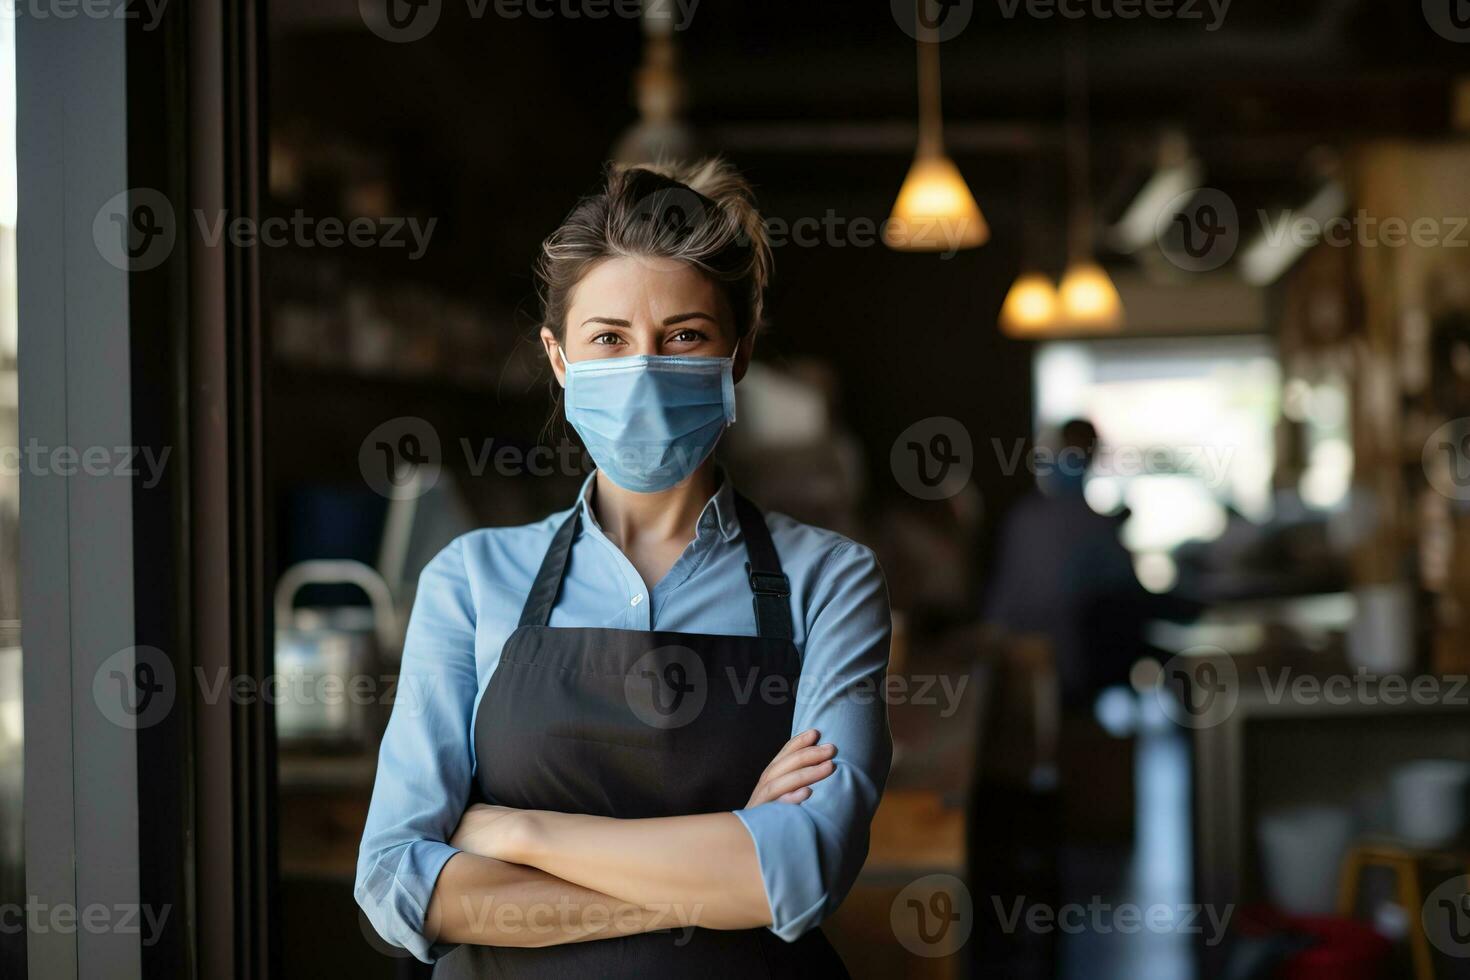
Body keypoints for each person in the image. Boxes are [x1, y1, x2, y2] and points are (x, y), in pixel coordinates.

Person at [355, 160, 892, 978]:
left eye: (684, 336)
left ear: (738, 355)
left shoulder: (831, 581)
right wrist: (726, 868)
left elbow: (803, 871)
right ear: (559, 359)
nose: (643, 367)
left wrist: (519, 834)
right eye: (608, 338)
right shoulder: (469, 580)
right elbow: (398, 882)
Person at [983, 418, 1150, 710]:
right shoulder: (1031, 521)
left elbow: (1125, 598)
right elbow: (1004, 604)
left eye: (1080, 452)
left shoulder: (1094, 526)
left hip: (1071, 677)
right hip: (1033, 670)